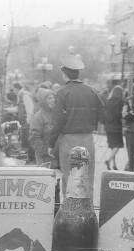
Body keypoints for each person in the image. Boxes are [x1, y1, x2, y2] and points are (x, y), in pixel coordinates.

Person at [47, 54, 103, 199]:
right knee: (87, 177)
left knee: (69, 177)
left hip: (69, 140)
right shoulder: (91, 91)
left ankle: (69, 214)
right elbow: (103, 114)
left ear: (65, 74)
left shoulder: (62, 92)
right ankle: (87, 212)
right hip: (88, 140)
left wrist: (51, 143)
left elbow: (57, 121)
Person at [29, 88, 55, 166]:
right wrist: (44, 151)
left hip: (56, 154)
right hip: (44, 156)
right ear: (43, 101)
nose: (53, 100)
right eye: (49, 98)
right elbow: (34, 137)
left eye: (53, 97)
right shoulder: (38, 117)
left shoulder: (58, 114)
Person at [103, 85, 124, 170]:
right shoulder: (121, 101)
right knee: (118, 145)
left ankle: (114, 165)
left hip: (108, 126)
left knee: (112, 146)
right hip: (117, 126)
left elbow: (104, 114)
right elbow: (120, 114)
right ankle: (108, 160)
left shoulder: (108, 101)